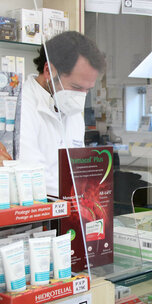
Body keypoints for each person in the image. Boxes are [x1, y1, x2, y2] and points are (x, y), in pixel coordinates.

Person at [19, 31, 105, 196]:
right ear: (48, 71)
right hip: (33, 212)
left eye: (88, 89)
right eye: (77, 87)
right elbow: (33, 176)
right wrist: (78, 196)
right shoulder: (22, 106)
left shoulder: (72, 112)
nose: (82, 96)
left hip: (69, 209)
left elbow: (78, 172)